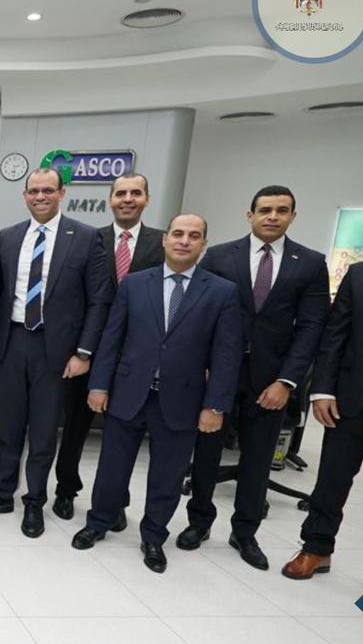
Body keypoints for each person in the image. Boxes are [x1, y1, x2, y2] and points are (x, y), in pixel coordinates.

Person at [72, 214, 242, 573]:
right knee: (111, 469)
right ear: (165, 240)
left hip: (183, 399)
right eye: (177, 233)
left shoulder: (222, 292)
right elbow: (112, 337)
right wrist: (99, 385)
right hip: (129, 393)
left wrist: (215, 406)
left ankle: (153, 536)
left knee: (167, 475)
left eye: (193, 235)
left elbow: (226, 356)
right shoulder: (135, 283)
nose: (184, 241)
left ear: (204, 244)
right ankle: (99, 522)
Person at [282, 191, 363, 620]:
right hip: (353, 396)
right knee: (332, 479)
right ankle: (316, 548)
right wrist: (321, 390)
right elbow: (335, 335)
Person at [181, 185, 329, 569]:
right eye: (265, 210)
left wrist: (287, 381)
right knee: (206, 454)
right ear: (250, 215)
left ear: (293, 216)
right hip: (219, 374)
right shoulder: (218, 256)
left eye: (282, 210)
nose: (272, 217)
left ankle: (245, 532)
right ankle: (199, 522)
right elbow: (199, 315)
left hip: (271, 380)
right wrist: (203, 366)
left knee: (258, 459)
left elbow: (311, 328)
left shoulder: (310, 263)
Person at [0, 167, 109, 536]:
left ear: (62, 193)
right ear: (25, 195)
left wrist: (83, 352)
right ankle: (2, 494)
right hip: (13, 342)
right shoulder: (9, 236)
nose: (40, 197)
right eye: (33, 191)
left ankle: (34, 501)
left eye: (48, 190)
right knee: (9, 426)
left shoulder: (85, 237)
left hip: (57, 350)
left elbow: (98, 301)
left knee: (44, 432)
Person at [53, 173, 164, 526]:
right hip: (87, 351)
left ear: (147, 199)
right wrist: (82, 351)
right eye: (121, 194)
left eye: (136, 193)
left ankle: (115, 501)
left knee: (123, 434)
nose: (127, 199)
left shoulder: (163, 242)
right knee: (74, 427)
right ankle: (66, 490)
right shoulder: (88, 239)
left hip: (135, 356)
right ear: (110, 199)